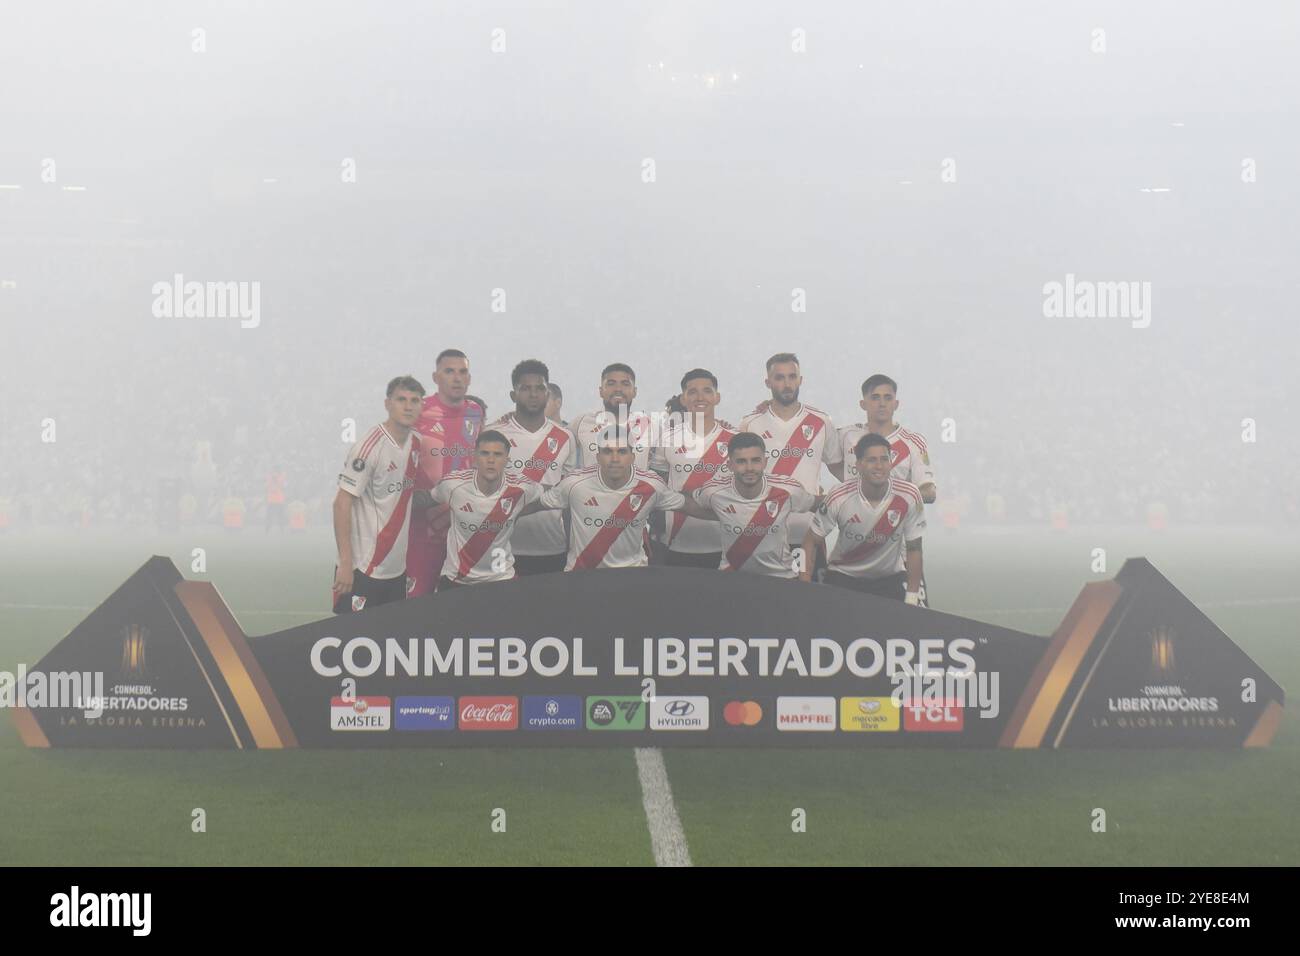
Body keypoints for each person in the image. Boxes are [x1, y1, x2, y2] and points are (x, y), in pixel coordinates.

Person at [532, 426, 712, 571]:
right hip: (581, 575)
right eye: (608, 451)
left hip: (632, 575)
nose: (615, 458)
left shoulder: (652, 485)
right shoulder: (574, 483)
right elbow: (534, 504)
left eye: (622, 451)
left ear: (633, 457)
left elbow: (687, 505)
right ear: (598, 457)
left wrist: (728, 513)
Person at [332, 376, 424, 613]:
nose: (408, 406)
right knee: (352, 642)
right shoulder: (370, 447)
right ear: (387, 404)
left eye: (415, 400)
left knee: (389, 643)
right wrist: (345, 563)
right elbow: (342, 503)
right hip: (363, 568)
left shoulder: (416, 443)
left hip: (396, 571)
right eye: (401, 399)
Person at [802, 433, 925, 603]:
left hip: (890, 580)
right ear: (859, 465)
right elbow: (810, 540)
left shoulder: (910, 495)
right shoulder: (839, 496)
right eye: (872, 460)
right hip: (843, 577)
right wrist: (803, 585)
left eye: (884, 459)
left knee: (896, 630)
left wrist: (912, 597)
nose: (879, 466)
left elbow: (914, 548)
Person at [740, 353, 844, 554]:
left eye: (792, 377)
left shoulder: (821, 421)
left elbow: (837, 466)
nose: (787, 384)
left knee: (808, 585)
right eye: (779, 378)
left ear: (800, 380)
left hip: (807, 533)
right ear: (768, 382)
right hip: (761, 532)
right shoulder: (750, 423)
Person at [406, 349, 485, 598]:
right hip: (424, 532)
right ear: (435, 376)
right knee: (416, 604)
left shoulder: (475, 411)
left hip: (464, 533)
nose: (457, 378)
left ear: (469, 378)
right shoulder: (417, 411)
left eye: (462, 372)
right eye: (449, 371)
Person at [493, 359, 578, 575]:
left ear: (548, 394)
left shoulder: (565, 437)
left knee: (548, 609)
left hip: (552, 548)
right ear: (513, 395)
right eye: (525, 388)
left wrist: (572, 544)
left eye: (540, 388)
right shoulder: (494, 434)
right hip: (501, 547)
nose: (533, 394)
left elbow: (568, 498)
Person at [693, 432, 816, 577]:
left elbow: (818, 504)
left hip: (782, 577)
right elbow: (691, 501)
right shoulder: (713, 491)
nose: (749, 468)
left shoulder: (789, 490)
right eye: (741, 461)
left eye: (756, 460)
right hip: (732, 576)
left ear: (765, 462)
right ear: (730, 465)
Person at [431, 430, 542, 589]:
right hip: (456, 580)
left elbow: (548, 496)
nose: (491, 460)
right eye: (485, 453)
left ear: (506, 460)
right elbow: (430, 498)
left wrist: (515, 513)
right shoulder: (452, 485)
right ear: (475, 458)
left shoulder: (522, 488)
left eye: (497, 454)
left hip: (500, 577)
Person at [649, 368, 736, 568]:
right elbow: (658, 488)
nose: (700, 397)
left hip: (725, 546)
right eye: (692, 392)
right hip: (676, 546)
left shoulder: (734, 439)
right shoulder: (667, 438)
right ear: (684, 398)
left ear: (717, 397)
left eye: (707, 390)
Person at [838, 374, 937, 503]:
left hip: (896, 521)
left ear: (896, 404)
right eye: (875, 398)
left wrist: (888, 500)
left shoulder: (913, 442)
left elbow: (929, 491)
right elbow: (830, 461)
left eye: (888, 398)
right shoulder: (847, 435)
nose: (882, 404)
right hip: (853, 522)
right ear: (863, 404)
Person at [568, 363, 653, 470]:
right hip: (591, 486)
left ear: (634, 392)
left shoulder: (649, 425)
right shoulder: (581, 422)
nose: (618, 389)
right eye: (611, 383)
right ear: (601, 391)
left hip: (636, 487)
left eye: (625, 384)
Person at [264, 467, 287, 532]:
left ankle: (267, 530)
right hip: (279, 500)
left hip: (271, 500)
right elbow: (284, 483)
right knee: (280, 516)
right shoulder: (281, 478)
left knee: (269, 516)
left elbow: (267, 476)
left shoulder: (269, 478)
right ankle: (282, 529)